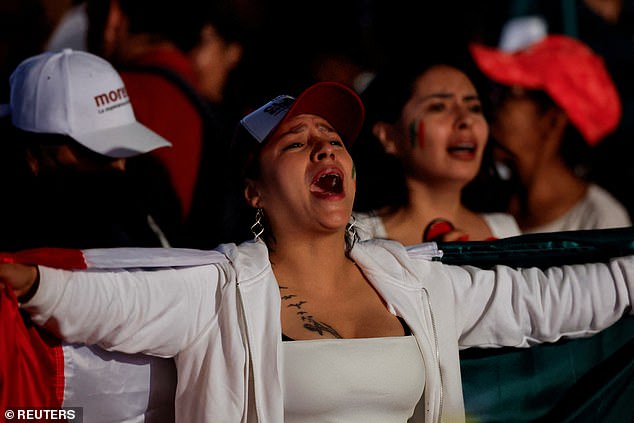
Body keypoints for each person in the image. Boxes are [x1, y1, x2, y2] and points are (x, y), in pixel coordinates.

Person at [1, 81, 633, 422]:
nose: (325, 148)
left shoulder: (415, 282)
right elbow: (109, 299)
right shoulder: (221, 289)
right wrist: (30, 281)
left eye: (332, 138)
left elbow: (554, 302)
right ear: (253, 189)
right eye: (296, 143)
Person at [0, 48, 176, 251]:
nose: (119, 166)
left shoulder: (146, 196)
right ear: (33, 155)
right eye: (97, 155)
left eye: (126, 152)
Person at [470, 34, 631, 234]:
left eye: (509, 94)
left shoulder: (601, 223)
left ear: (552, 119)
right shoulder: (482, 202)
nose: (492, 108)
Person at [352, 56, 521, 244]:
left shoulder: (505, 230)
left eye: (474, 107)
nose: (466, 120)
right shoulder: (358, 236)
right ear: (389, 136)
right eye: (438, 107)